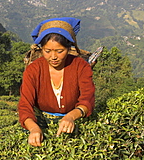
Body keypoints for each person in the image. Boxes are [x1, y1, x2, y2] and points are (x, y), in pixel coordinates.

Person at [18, 17, 95, 147]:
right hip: (39, 122)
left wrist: (71, 116)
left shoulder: (81, 66)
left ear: (69, 48)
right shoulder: (33, 70)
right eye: (47, 51)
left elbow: (87, 98)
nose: (53, 57)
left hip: (74, 119)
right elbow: (25, 104)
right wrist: (34, 129)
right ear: (41, 49)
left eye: (60, 51)